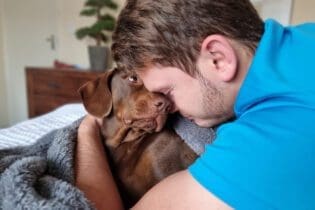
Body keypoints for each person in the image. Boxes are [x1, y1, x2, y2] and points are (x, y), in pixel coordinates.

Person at [76, 0, 315, 209]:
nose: (167, 106)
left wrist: (87, 130)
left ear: (218, 58)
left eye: (167, 90)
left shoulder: (266, 143)